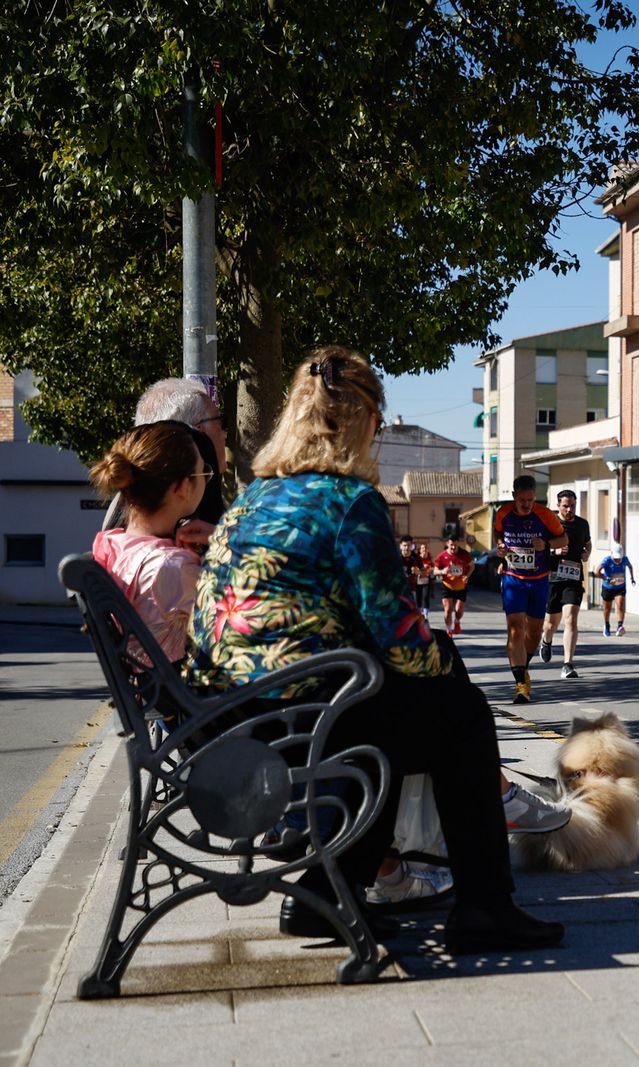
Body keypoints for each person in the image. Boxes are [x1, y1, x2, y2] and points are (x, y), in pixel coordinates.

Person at [186, 346, 568, 953]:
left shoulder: (254, 497)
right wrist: (444, 663)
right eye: (379, 421)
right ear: (361, 420)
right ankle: (484, 906)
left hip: (235, 716)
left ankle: (332, 892)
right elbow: (395, 630)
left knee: (407, 709)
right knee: (461, 715)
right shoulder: (349, 502)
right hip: (303, 715)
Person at [88, 423, 208, 665]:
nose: (207, 477)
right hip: (189, 697)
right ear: (182, 487)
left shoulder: (111, 543)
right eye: (203, 471)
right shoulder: (173, 566)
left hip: (154, 691)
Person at [103, 377, 228, 549]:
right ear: (195, 432)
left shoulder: (127, 503)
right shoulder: (177, 558)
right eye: (220, 423)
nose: (224, 434)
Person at [493, 476, 568, 704]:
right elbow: (497, 534)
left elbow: (563, 539)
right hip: (513, 578)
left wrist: (546, 545)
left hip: (538, 579)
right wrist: (500, 547)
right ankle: (520, 685)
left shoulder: (545, 515)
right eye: (522, 500)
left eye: (530, 499)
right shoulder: (503, 513)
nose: (526, 504)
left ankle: (523, 668)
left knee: (534, 632)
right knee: (515, 629)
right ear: (514, 495)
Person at [539, 489, 592, 678]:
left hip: (573, 578)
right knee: (550, 624)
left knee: (570, 619)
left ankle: (568, 664)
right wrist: (555, 552)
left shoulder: (582, 524)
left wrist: (587, 553)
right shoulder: (549, 525)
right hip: (553, 578)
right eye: (565, 506)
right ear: (558, 505)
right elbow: (539, 549)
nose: (569, 509)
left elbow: (588, 543)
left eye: (572, 506)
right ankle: (546, 640)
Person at [433, 535, 475, 635]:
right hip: (447, 586)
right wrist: (442, 571)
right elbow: (434, 571)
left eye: (455, 545)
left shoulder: (464, 554)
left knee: (458, 610)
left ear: (458, 544)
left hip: (461, 586)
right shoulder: (441, 556)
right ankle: (448, 630)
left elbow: (472, 566)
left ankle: (457, 621)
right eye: (451, 545)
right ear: (447, 544)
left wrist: (467, 576)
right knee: (448, 609)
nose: (453, 547)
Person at [594, 544, 634, 637]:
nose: (617, 560)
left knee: (620, 605)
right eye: (616, 558)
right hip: (608, 588)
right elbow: (597, 572)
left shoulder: (625, 559)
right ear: (612, 554)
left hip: (620, 587)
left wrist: (632, 577)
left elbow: (630, 566)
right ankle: (607, 625)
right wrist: (606, 579)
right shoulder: (607, 560)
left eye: (619, 558)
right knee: (607, 609)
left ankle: (620, 626)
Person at [401, 537, 433, 619]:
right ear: (400, 546)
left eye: (408, 545)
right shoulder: (396, 557)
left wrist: (418, 572)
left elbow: (424, 572)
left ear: (412, 546)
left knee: (411, 610)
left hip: (412, 588)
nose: (406, 548)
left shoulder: (416, 558)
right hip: (398, 588)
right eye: (404, 545)